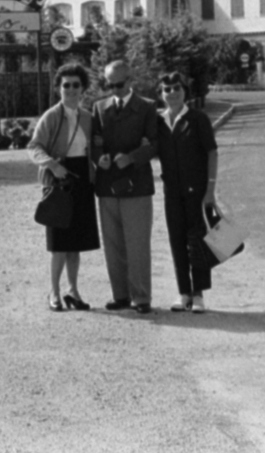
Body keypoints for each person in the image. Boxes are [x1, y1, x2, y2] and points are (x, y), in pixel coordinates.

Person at [28, 62, 100, 312]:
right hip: (59, 181)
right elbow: (34, 146)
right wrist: (52, 165)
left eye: (75, 85)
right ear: (59, 88)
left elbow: (95, 148)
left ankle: (73, 291)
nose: (71, 89)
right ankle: (54, 292)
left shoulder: (88, 117)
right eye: (66, 85)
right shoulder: (51, 116)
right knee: (59, 243)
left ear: (83, 88)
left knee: (76, 242)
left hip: (81, 181)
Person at [91, 59, 161, 313]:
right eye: (110, 85)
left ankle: (141, 297)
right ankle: (120, 295)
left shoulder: (147, 107)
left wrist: (131, 157)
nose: (115, 90)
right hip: (108, 185)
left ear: (130, 81)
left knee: (138, 244)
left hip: (136, 186)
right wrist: (99, 157)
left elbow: (156, 143)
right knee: (113, 245)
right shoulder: (99, 108)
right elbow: (94, 143)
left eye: (119, 84)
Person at [155, 71, 219, 313]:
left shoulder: (198, 119)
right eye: (167, 89)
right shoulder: (158, 122)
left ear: (185, 91)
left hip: (197, 191)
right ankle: (183, 293)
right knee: (177, 241)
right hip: (172, 191)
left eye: (176, 88)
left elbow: (212, 152)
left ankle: (199, 294)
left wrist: (210, 189)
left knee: (198, 241)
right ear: (161, 94)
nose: (172, 93)